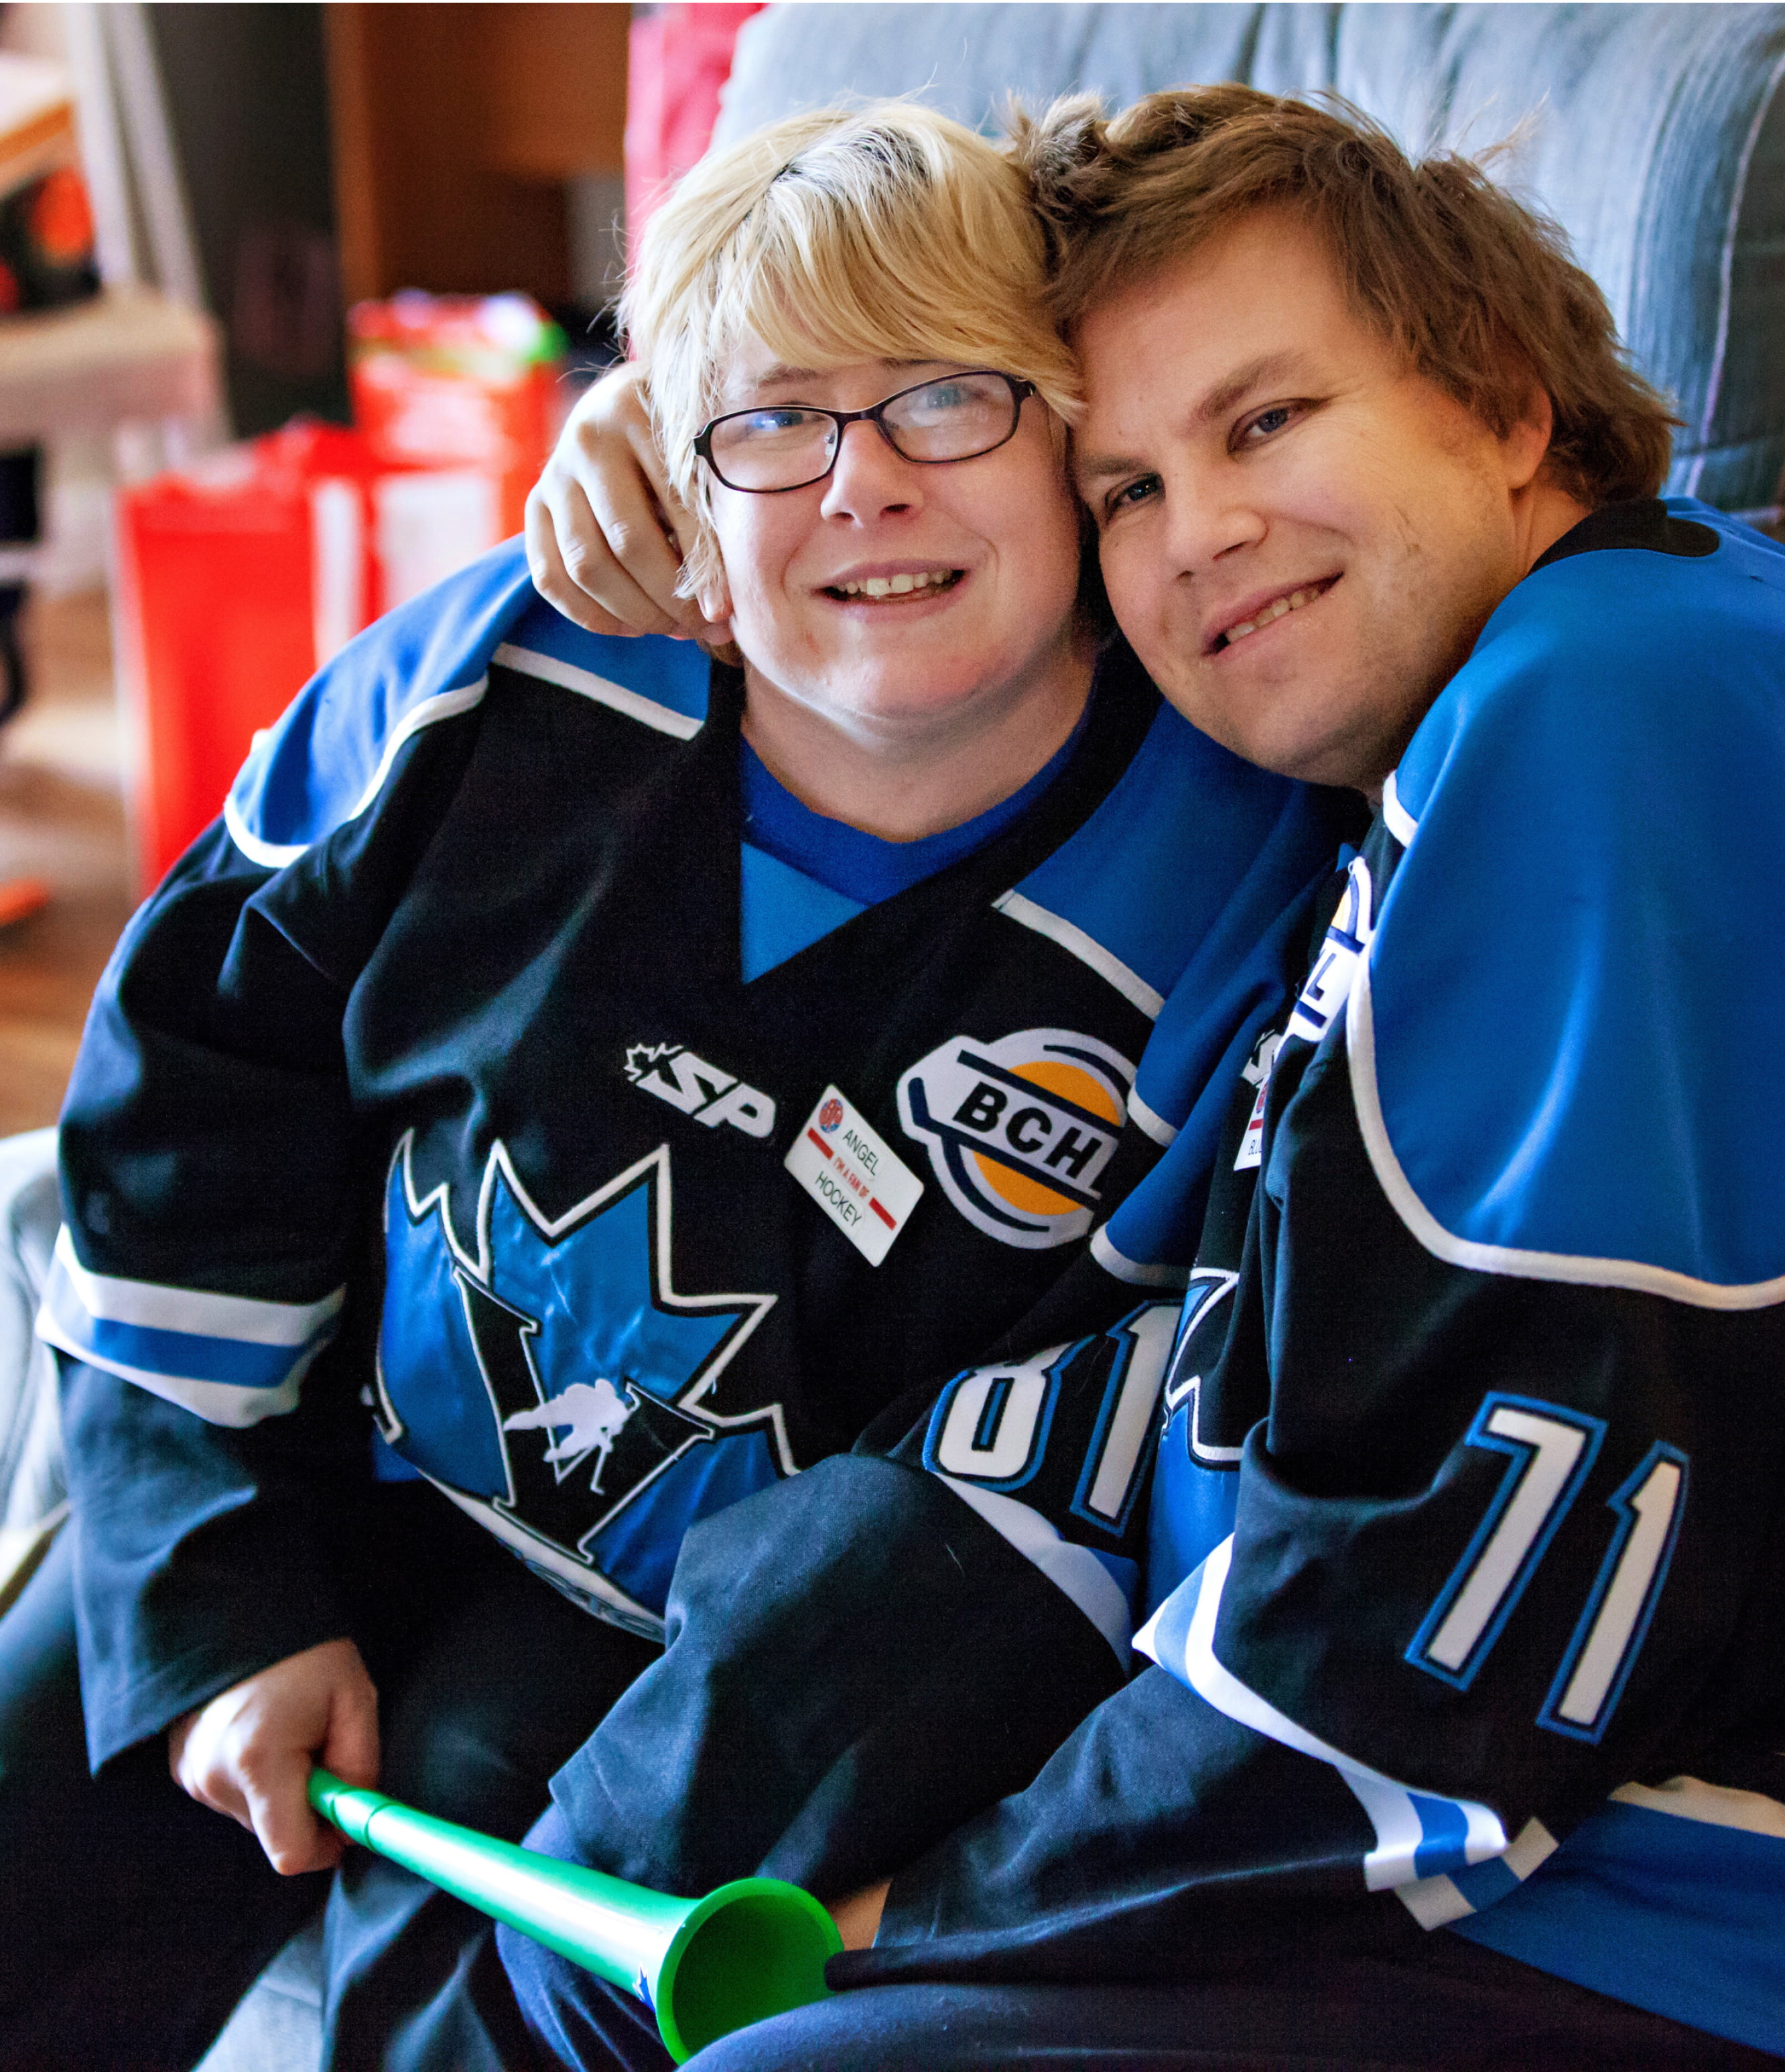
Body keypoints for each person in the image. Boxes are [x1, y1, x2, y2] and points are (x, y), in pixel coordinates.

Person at [0, 103, 1347, 2072]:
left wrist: (732, 1732)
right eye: (776, 423)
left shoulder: (1241, 859)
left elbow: (1096, 1422)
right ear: (664, 469)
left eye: (948, 400)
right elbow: (199, 1080)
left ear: (1078, 437)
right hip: (319, 1467)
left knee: (454, 1980)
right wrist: (210, 1584)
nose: (863, 485)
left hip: (700, 1635)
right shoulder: (493, 682)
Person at [502, 86, 1785, 2071]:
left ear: (1512, 410)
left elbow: (1447, 1625)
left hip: (1657, 1914)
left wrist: (930, 1917)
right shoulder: (1426, 779)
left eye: (1265, 422)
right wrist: (698, 415)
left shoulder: (1603, 698)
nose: (1203, 534)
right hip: (1432, 1835)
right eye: (1120, 491)